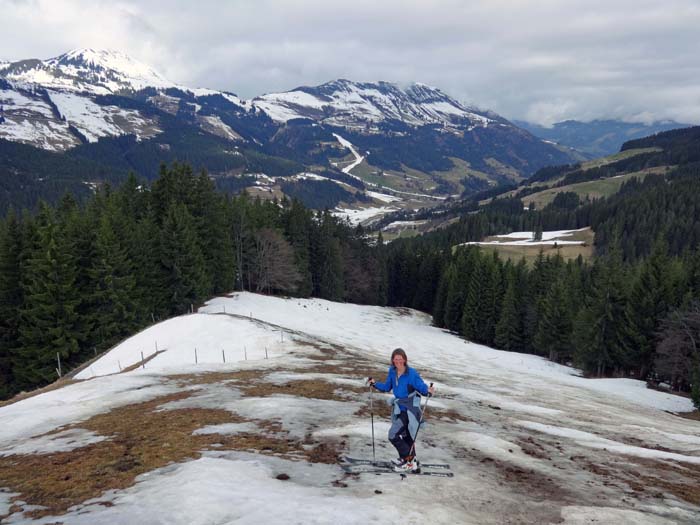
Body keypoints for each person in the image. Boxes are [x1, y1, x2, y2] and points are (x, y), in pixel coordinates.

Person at [369, 348, 435, 472]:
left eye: (400, 359)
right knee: (406, 435)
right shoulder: (392, 372)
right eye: (395, 359)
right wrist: (375, 384)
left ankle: (408, 460)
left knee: (393, 434)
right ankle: (410, 460)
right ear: (393, 360)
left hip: (409, 409)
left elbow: (421, 386)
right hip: (400, 408)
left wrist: (428, 391)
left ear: (404, 359)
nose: (398, 361)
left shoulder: (411, 373)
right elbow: (387, 387)